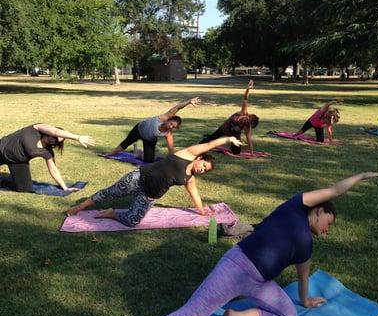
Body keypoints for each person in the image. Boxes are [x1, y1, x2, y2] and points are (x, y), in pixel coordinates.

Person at [129, 171, 378, 316]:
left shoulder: (307, 245)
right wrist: (360, 176)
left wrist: (306, 301)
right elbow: (337, 190)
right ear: (319, 210)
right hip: (235, 268)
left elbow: (303, 277)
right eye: (330, 221)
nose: (328, 228)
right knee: (191, 314)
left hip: (261, 283)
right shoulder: (295, 206)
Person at [67, 136, 242, 225]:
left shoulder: (189, 179)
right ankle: (79, 207)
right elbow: (209, 145)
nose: (202, 169)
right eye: (204, 165)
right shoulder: (187, 154)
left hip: (149, 196)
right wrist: (227, 139)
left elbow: (195, 195)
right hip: (138, 178)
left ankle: (112, 213)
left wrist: (203, 212)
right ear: (200, 158)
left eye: (205, 171)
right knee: (108, 193)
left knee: (132, 222)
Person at [0, 124, 95, 192]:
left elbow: (53, 169)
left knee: (25, 189)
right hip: (1, 149)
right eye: (55, 137)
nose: (55, 140)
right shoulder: (35, 129)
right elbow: (56, 131)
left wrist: (65, 187)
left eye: (57, 141)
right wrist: (77, 137)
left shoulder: (47, 152)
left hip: (18, 162)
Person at [106, 97, 202, 162]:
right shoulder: (164, 117)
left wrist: (179, 159)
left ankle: (137, 152)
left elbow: (171, 150)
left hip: (149, 140)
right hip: (139, 130)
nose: (171, 127)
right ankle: (111, 153)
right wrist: (189, 102)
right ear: (169, 120)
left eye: (174, 127)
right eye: (171, 124)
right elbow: (177, 107)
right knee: (125, 143)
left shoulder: (168, 134)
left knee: (149, 160)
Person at [199, 80, 259, 154]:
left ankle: (228, 146)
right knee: (209, 139)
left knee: (236, 152)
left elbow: (249, 139)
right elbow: (245, 99)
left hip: (234, 136)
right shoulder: (243, 112)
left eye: (248, 123)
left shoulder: (247, 126)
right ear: (248, 116)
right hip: (224, 128)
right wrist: (248, 89)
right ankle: (206, 140)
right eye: (247, 120)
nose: (246, 122)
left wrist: (251, 152)